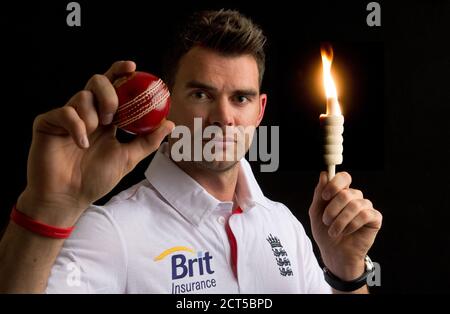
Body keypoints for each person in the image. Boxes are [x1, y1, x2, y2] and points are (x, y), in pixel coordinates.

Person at [0, 9, 382, 293]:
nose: (224, 117)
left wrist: (346, 273)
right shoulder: (112, 231)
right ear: (167, 103)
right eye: (201, 94)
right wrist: (47, 207)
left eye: (241, 98)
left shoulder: (284, 225)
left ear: (260, 110)